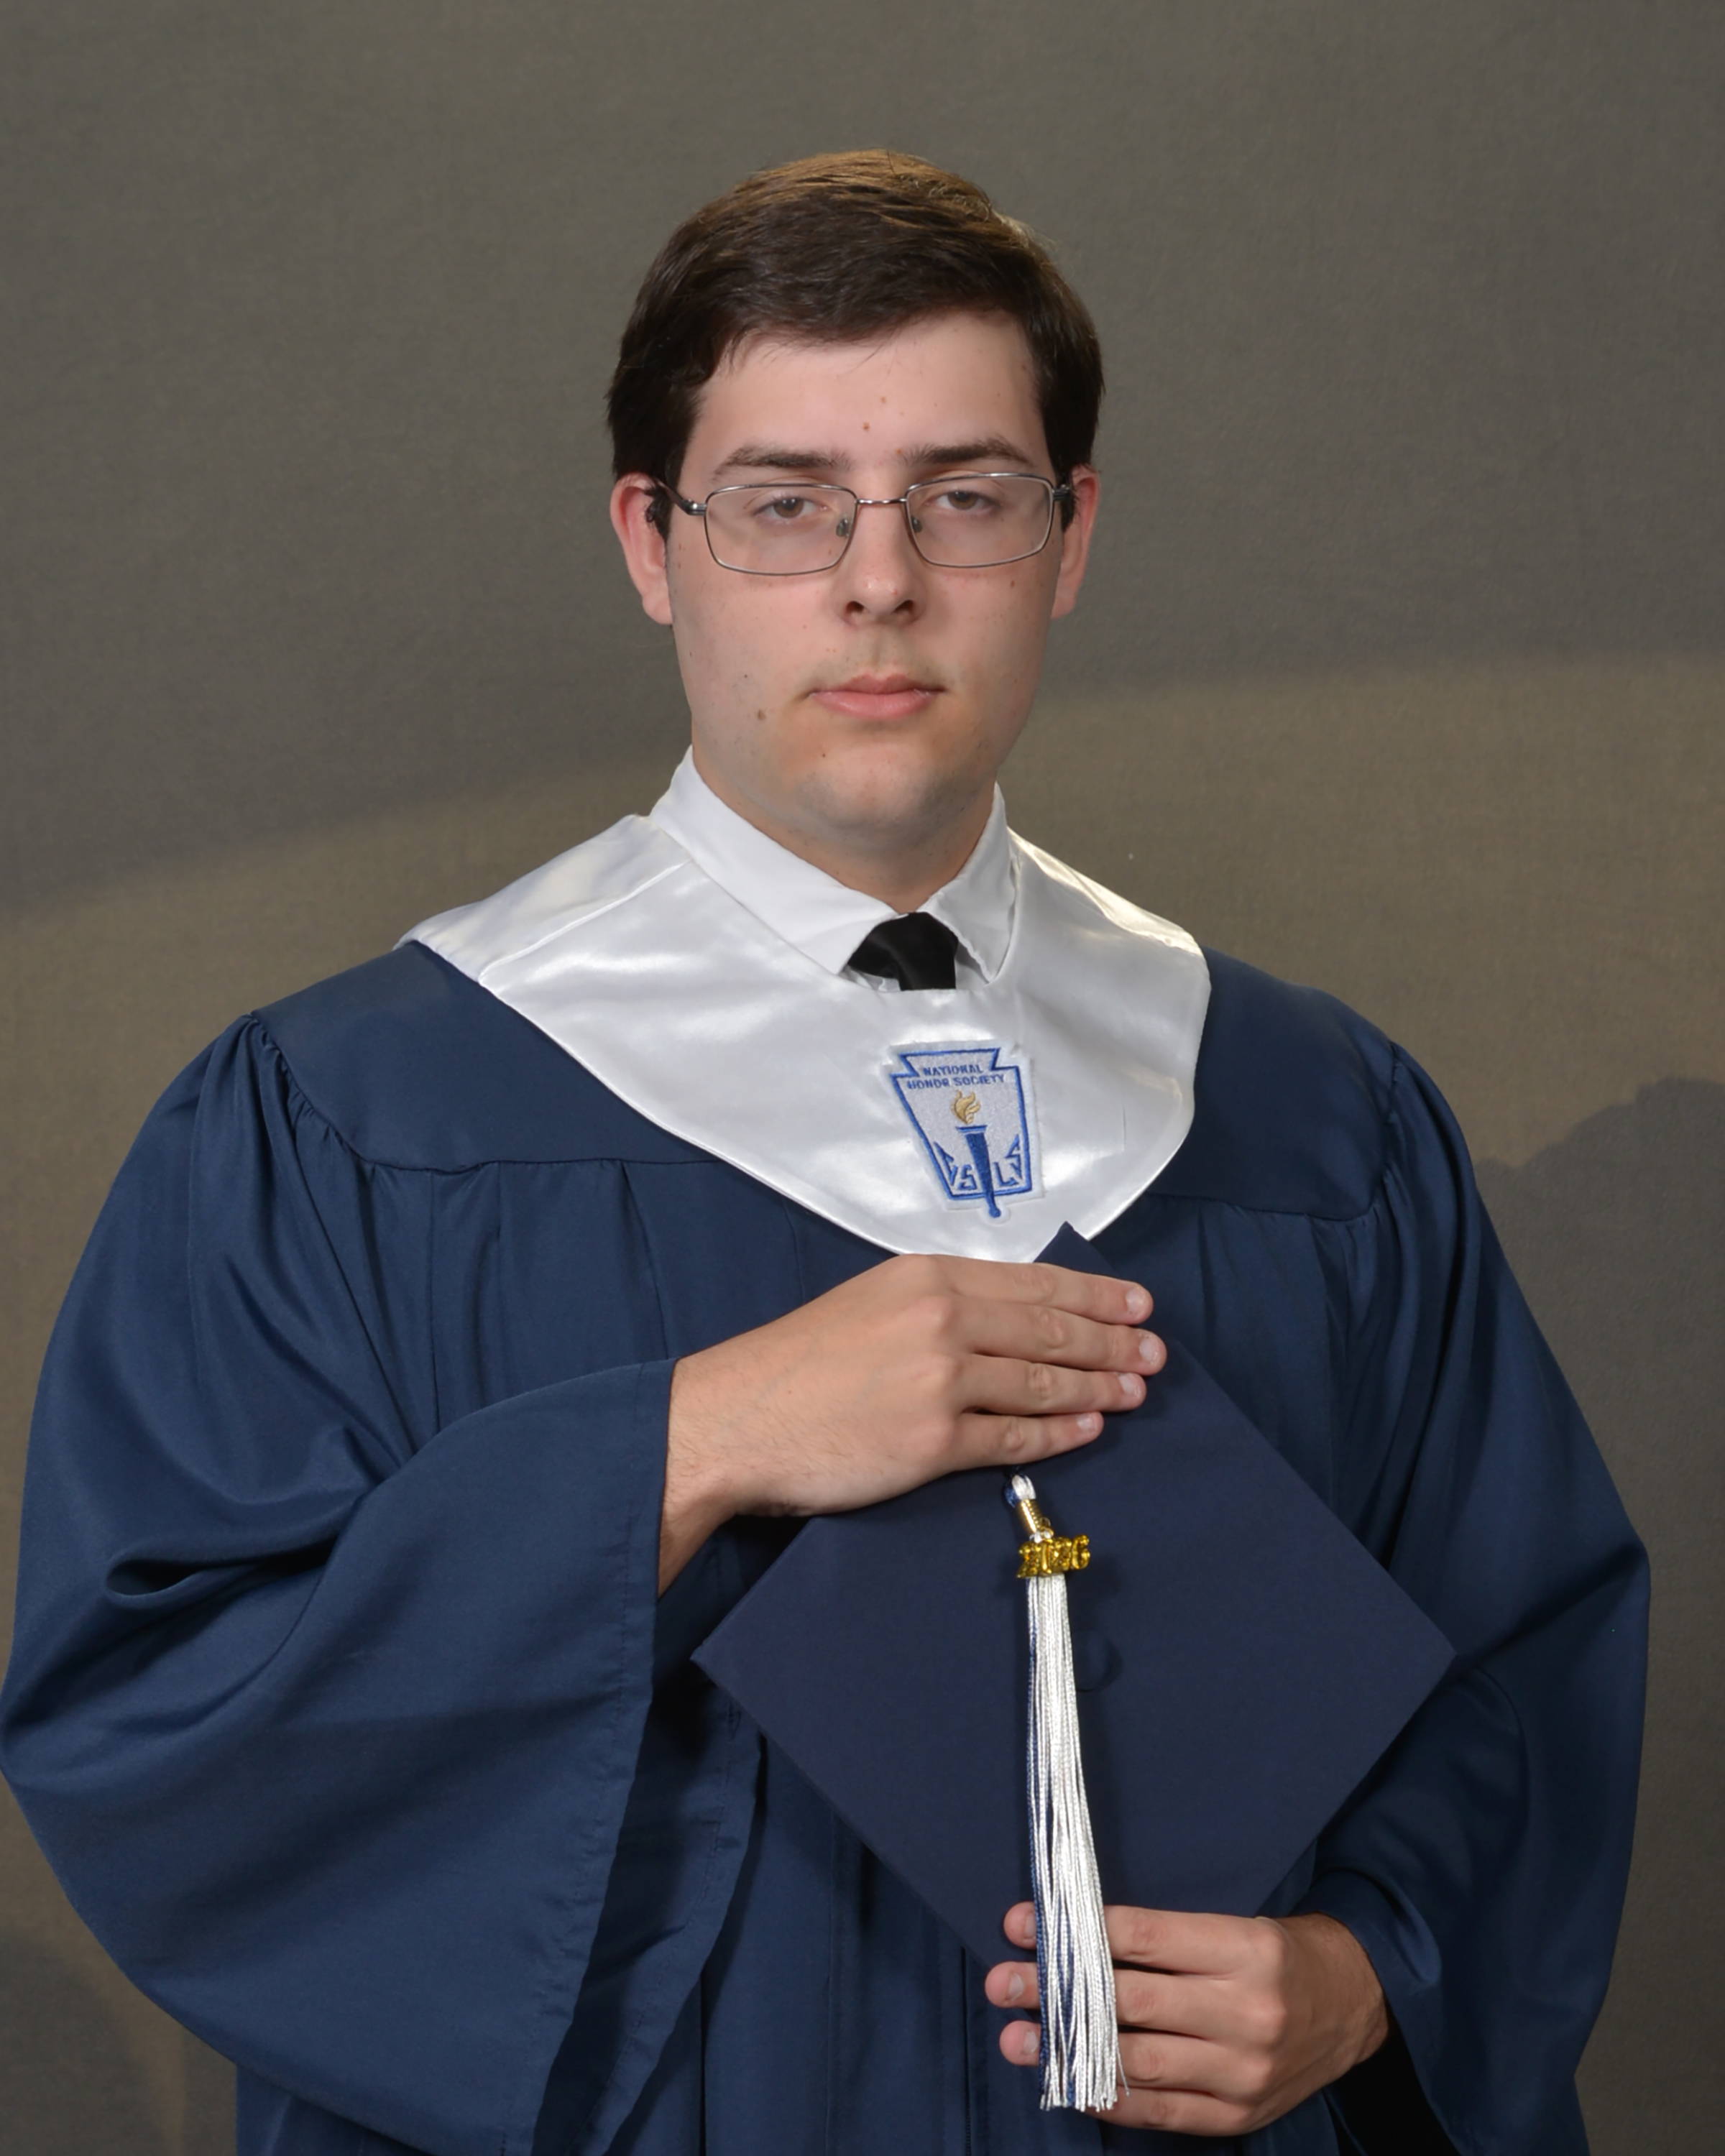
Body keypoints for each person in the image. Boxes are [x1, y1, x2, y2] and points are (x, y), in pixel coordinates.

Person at [0, 152, 1645, 2156]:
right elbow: (163, 1719)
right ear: (652, 543)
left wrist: (1375, 1967)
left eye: (966, 496)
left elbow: (1520, 1665)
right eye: (786, 504)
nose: (882, 581)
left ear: (1070, 537)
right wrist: (695, 1443)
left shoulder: (1311, 1117)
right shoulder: (349, 1123)